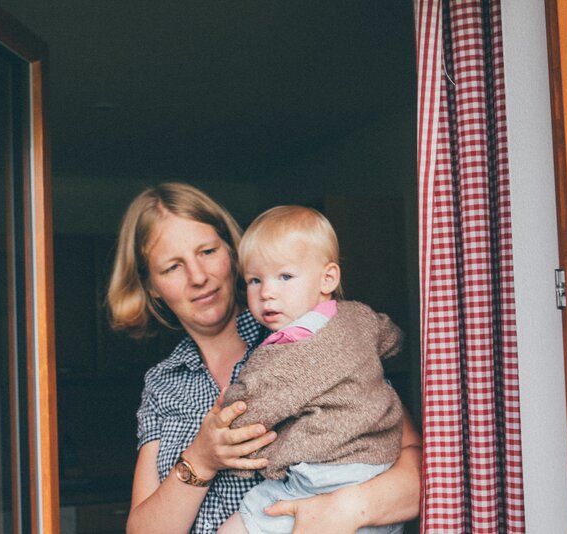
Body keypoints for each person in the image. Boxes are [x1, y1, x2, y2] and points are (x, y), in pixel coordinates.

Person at [107, 183, 421, 534]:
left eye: (208, 251)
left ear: (232, 251)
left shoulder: (313, 332)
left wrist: (344, 509)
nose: (198, 277)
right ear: (151, 285)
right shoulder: (163, 383)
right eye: (172, 267)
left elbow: (418, 472)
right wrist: (201, 459)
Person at [218, 206, 405, 534]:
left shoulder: (285, 353)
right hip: (379, 474)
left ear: (328, 278)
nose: (267, 292)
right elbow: (393, 339)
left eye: (285, 276)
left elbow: (245, 416)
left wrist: (226, 407)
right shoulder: (360, 317)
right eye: (254, 280)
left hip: (321, 483)